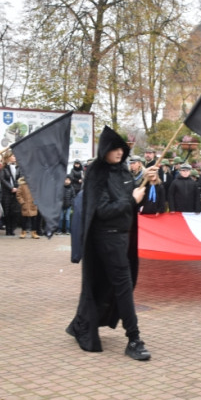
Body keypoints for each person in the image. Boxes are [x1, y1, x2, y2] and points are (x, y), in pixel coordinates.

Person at [66, 126, 156, 361]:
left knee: (108, 284)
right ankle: (134, 338)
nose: (118, 152)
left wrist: (149, 184)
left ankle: (81, 323)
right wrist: (131, 199)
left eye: (121, 148)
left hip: (123, 237)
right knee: (123, 285)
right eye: (114, 148)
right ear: (104, 149)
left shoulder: (123, 172)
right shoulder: (97, 173)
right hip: (106, 238)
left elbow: (133, 202)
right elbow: (103, 210)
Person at [0, 153, 22, 236]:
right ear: (8, 157)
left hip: (16, 192)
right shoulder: (4, 168)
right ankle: (8, 230)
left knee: (16, 211)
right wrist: (11, 188)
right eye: (13, 156)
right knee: (7, 211)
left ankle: (13, 228)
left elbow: (20, 178)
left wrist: (17, 188)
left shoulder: (19, 167)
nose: (14, 157)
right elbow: (2, 179)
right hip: (7, 192)